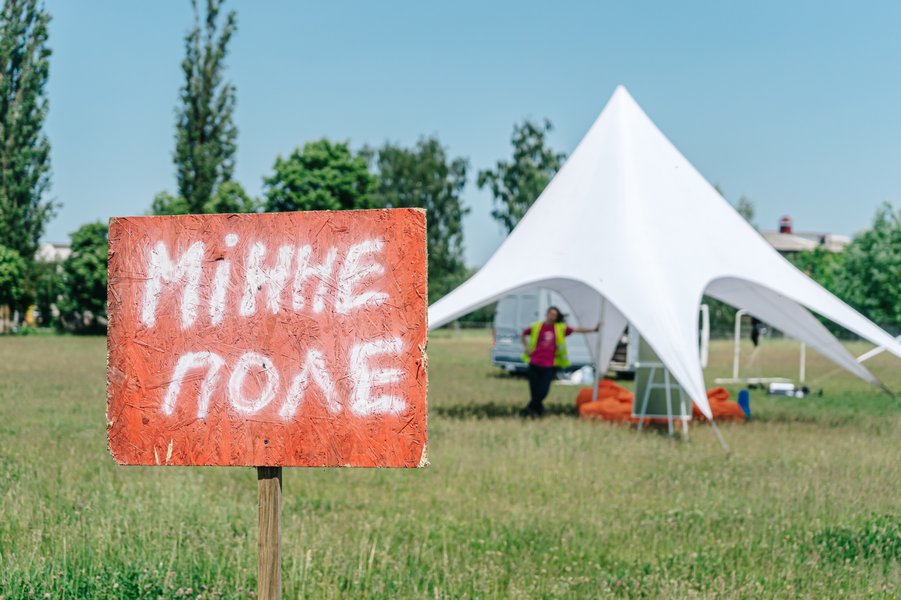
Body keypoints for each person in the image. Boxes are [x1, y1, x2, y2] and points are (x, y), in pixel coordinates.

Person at [519, 306, 599, 417]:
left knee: (543, 391)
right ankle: (536, 412)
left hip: (549, 365)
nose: (552, 317)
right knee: (535, 392)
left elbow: (577, 330)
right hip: (535, 362)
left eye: (554, 315)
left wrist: (593, 330)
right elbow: (523, 334)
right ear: (547, 314)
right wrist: (527, 348)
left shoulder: (559, 328)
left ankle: (527, 410)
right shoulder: (537, 326)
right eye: (551, 314)